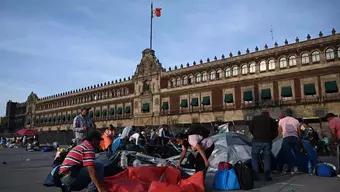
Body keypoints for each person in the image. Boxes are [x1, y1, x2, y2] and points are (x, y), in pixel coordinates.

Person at [249, 111, 278, 181]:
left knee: (254, 158)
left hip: (256, 141)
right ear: (268, 115)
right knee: (267, 159)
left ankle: (255, 176)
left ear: (261, 114)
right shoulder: (271, 120)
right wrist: (271, 138)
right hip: (267, 141)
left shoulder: (255, 118)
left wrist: (255, 135)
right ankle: (267, 176)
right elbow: (276, 132)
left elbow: (250, 128)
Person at [278, 108, 301, 175]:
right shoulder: (296, 120)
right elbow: (299, 131)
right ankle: (295, 168)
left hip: (286, 138)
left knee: (287, 154)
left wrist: (281, 137)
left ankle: (290, 169)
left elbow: (279, 131)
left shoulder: (281, 120)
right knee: (295, 153)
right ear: (291, 113)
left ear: (285, 114)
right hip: (294, 138)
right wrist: (299, 139)